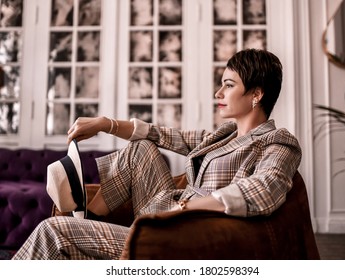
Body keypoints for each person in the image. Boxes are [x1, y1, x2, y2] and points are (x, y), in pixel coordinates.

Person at [13, 48, 302, 260]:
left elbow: (264, 189)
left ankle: (82, 218)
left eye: (229, 85)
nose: (218, 93)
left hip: (182, 237)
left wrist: (186, 209)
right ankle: (88, 211)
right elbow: (163, 135)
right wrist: (106, 124)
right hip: (166, 213)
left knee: (53, 230)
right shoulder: (223, 134)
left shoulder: (278, 142)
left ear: (257, 94)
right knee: (142, 147)